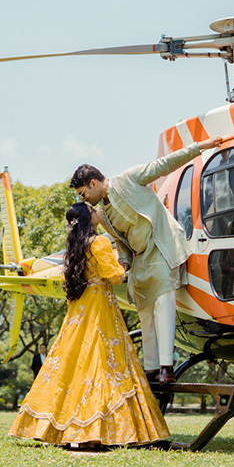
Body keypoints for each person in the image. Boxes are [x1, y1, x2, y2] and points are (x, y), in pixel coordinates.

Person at [8, 202, 169, 447]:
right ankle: (94, 432)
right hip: (100, 307)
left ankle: (56, 428)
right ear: (87, 218)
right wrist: (125, 264)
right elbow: (115, 276)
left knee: (69, 362)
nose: (97, 213)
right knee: (101, 362)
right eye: (93, 211)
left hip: (79, 308)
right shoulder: (100, 243)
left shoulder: (74, 246)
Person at [71, 136, 223, 384]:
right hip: (141, 261)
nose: (83, 199)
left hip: (162, 246)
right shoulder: (101, 214)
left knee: (164, 302)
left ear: (93, 182)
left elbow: (164, 164)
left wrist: (199, 148)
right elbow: (122, 243)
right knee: (145, 313)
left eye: (83, 193)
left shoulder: (129, 178)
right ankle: (151, 368)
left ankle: (167, 367)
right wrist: (125, 263)